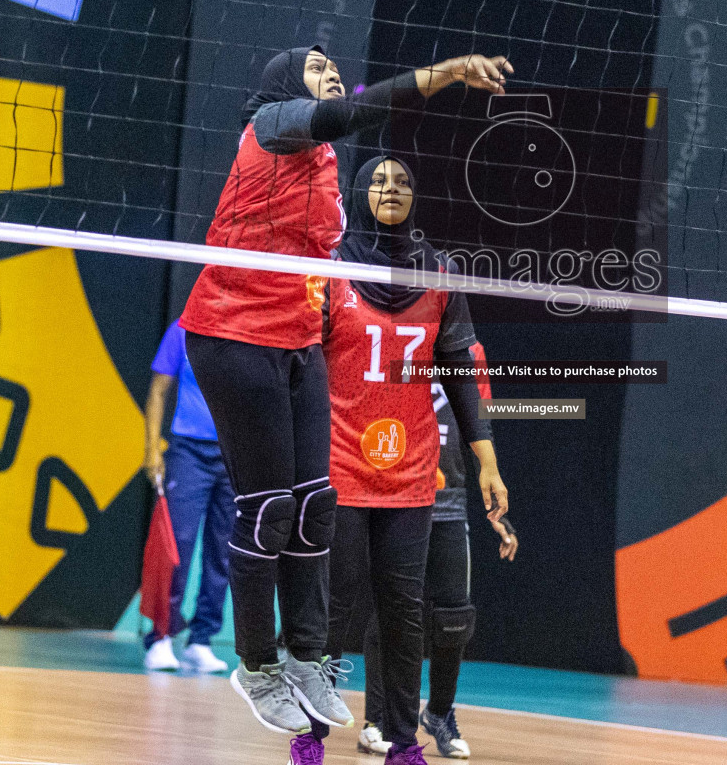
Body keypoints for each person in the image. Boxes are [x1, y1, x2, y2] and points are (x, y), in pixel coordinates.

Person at [180, 47, 510, 738]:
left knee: (312, 505)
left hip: (294, 340)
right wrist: (445, 73)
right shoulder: (273, 123)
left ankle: (305, 656)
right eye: (315, 66)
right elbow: (349, 109)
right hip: (234, 332)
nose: (329, 72)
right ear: (284, 84)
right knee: (269, 509)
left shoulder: (328, 174)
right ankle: (257, 665)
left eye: (334, 65)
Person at [289, 155, 508, 765]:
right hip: (340, 463)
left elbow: (463, 375)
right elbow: (301, 366)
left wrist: (486, 463)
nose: (391, 190)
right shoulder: (330, 268)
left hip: (411, 471)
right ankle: (310, 736)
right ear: (360, 193)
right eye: (380, 181)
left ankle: (405, 742)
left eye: (403, 182)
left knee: (404, 610)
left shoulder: (440, 273)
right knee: (334, 604)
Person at [357, 382, 520, 759]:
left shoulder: (470, 353)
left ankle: (439, 713)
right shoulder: (399, 335)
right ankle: (376, 720)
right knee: (393, 609)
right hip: (395, 490)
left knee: (454, 617)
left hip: (448, 497)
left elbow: (478, 430)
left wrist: (498, 512)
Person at [142, 318, 234, 674]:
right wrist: (152, 449)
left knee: (223, 552)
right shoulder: (182, 328)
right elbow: (158, 391)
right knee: (175, 547)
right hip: (188, 453)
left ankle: (201, 640)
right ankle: (161, 637)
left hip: (233, 453)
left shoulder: (247, 328)